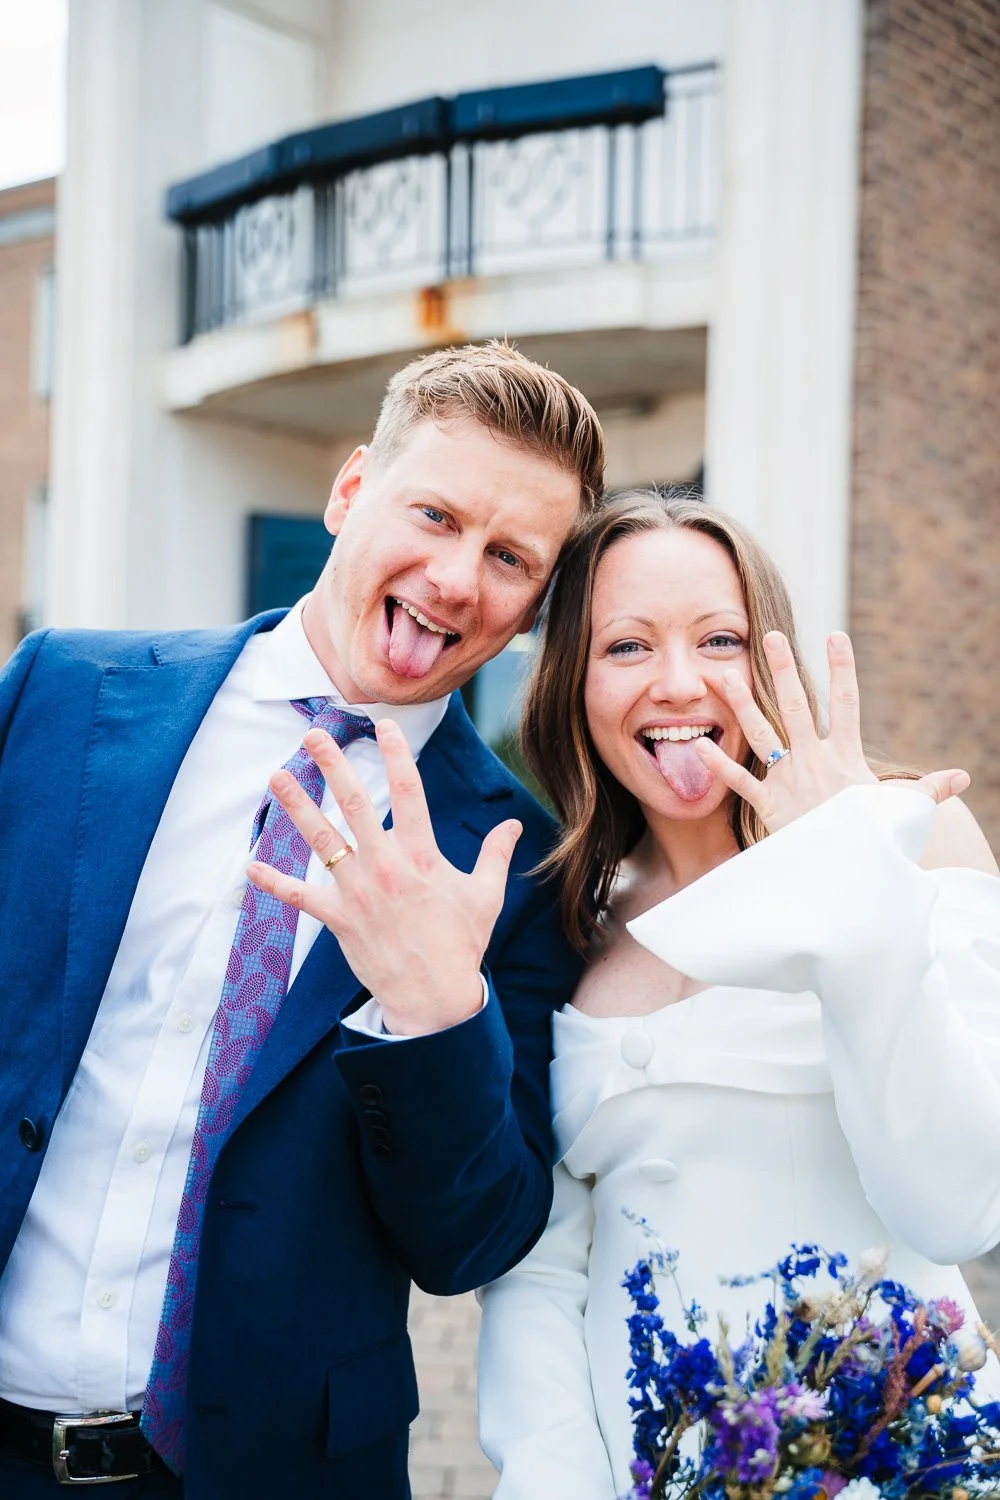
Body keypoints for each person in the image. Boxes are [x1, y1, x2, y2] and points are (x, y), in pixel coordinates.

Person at [0, 340, 605, 1497]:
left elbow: (472, 1240)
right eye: (433, 514)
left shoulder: (518, 868)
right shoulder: (62, 695)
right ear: (348, 492)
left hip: (276, 1472)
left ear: (532, 603)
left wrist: (434, 1008)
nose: (456, 578)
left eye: (509, 557)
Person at [477, 488, 1000, 1497]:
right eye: (626, 647)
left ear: (770, 658)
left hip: (899, 1460)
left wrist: (849, 878)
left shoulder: (919, 841)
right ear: (571, 684)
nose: (677, 685)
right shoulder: (558, 923)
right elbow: (538, 1265)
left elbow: (957, 1206)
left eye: (717, 639)